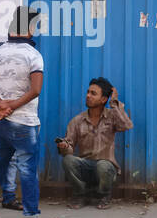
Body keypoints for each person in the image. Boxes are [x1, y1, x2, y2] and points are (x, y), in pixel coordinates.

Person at [0, 7, 58, 218]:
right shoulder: (33, 55)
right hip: (24, 123)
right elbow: (36, 89)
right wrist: (11, 105)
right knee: (28, 170)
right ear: (30, 29)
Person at [57, 78, 133, 209]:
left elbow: (126, 125)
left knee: (103, 165)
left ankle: (104, 195)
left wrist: (114, 103)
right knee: (68, 160)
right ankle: (80, 195)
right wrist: (64, 146)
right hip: (85, 166)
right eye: (87, 92)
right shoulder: (77, 120)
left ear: (104, 99)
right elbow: (69, 149)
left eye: (93, 93)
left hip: (105, 168)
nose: (88, 96)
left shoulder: (111, 116)